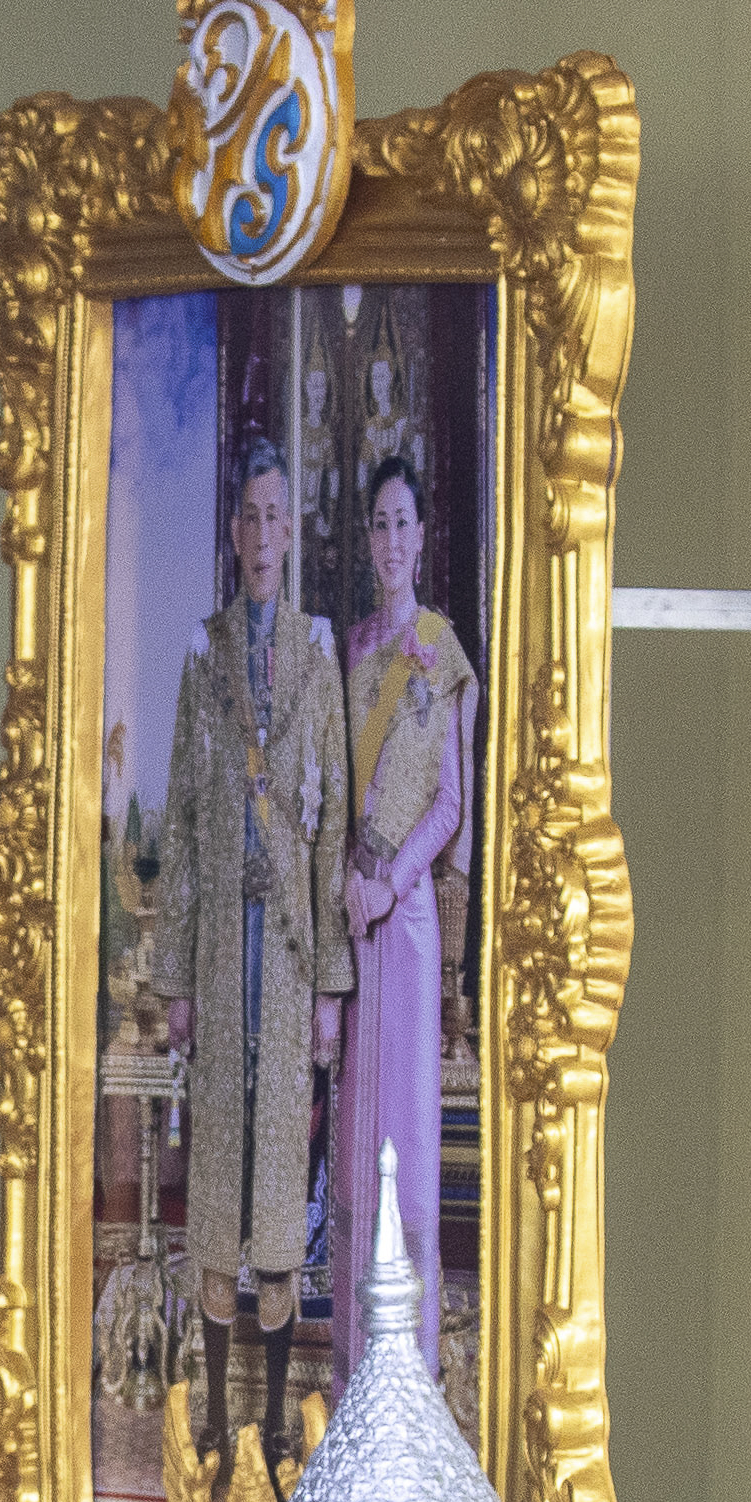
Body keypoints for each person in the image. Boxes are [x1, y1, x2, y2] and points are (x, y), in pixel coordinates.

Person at [157, 433, 352, 1453]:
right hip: (222, 963)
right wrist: (178, 974)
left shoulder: (317, 656)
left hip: (284, 954)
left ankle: (275, 1418)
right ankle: (220, 1412)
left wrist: (327, 980)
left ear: (293, 530)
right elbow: (185, 820)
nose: (264, 535)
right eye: (249, 517)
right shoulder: (204, 654)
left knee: (278, 1174)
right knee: (218, 1183)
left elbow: (328, 827)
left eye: (278, 516)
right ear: (233, 535)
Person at [334, 454, 477, 1380]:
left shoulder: (444, 648)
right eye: (379, 523)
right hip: (357, 916)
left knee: (407, 1148)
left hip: (411, 918)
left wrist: (395, 882)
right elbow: (341, 785)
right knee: (354, 1146)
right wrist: (351, 880)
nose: (391, 540)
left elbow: (453, 801)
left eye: (403, 523)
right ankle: (355, 1368)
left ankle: (411, 1378)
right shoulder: (351, 652)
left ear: (424, 537)